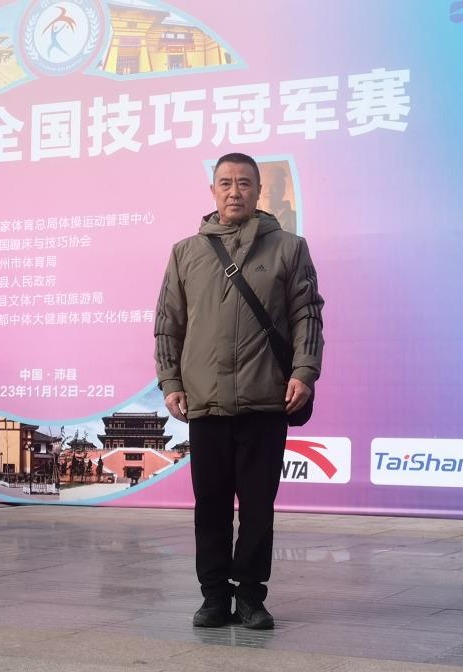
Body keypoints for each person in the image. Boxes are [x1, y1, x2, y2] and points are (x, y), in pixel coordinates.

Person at [154, 152, 324, 630]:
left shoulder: (289, 247)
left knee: (256, 508)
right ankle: (213, 596)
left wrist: (305, 371)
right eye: (225, 183)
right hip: (205, 403)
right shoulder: (185, 252)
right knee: (209, 506)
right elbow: (168, 324)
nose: (235, 191)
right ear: (213, 191)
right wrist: (171, 381)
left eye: (244, 183)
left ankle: (250, 596)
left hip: (266, 399)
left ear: (258, 191)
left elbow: (307, 314)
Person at [259, 163, 297, 233]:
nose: (268, 190)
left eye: (274, 186)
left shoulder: (294, 218)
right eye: (266, 186)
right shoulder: (252, 217)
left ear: (282, 190)